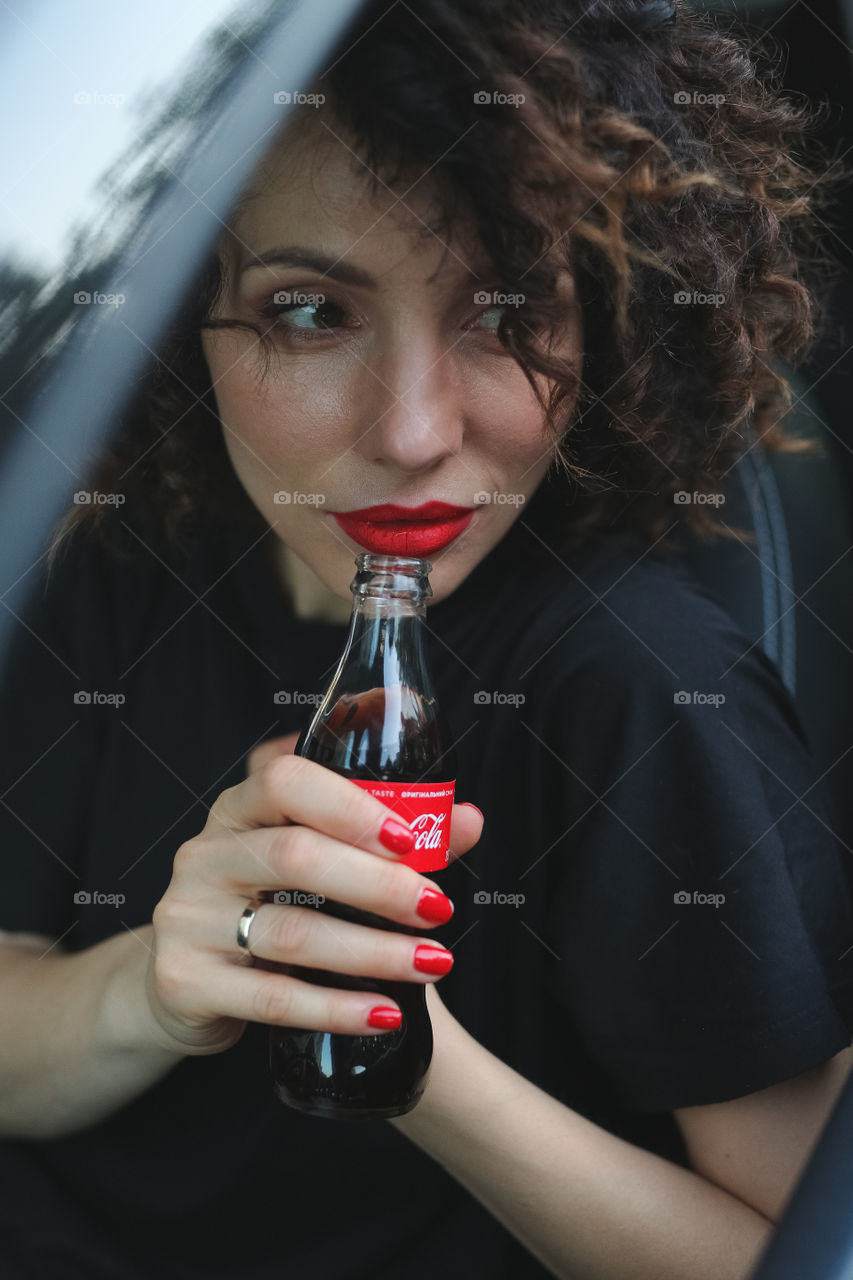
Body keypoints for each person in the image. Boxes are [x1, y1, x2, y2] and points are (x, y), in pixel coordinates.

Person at [2, 1, 853, 1277]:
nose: (410, 431)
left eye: (503, 313)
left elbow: (785, 1249)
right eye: (306, 310)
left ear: (606, 327)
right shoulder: (112, 570)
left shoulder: (645, 686)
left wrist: (398, 1040)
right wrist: (154, 986)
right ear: (187, 332)